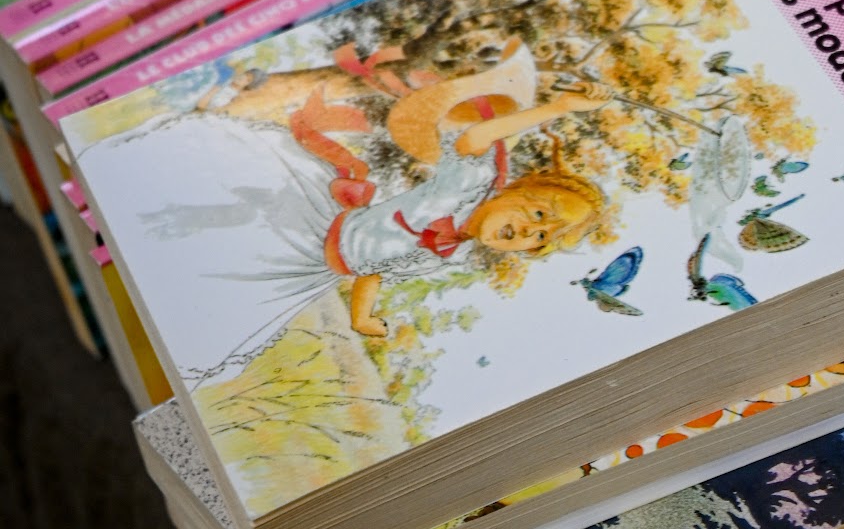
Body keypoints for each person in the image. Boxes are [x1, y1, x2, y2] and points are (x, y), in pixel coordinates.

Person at [77, 38, 609, 381]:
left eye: (542, 239)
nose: (530, 232)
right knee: (228, 211)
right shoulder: (472, 179)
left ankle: (145, 272)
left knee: (220, 291)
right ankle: (148, 221)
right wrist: (558, 109)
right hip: (312, 218)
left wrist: (363, 319)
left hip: (308, 269)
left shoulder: (449, 256)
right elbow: (475, 136)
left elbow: (373, 270)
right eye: (539, 213)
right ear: (517, 188)